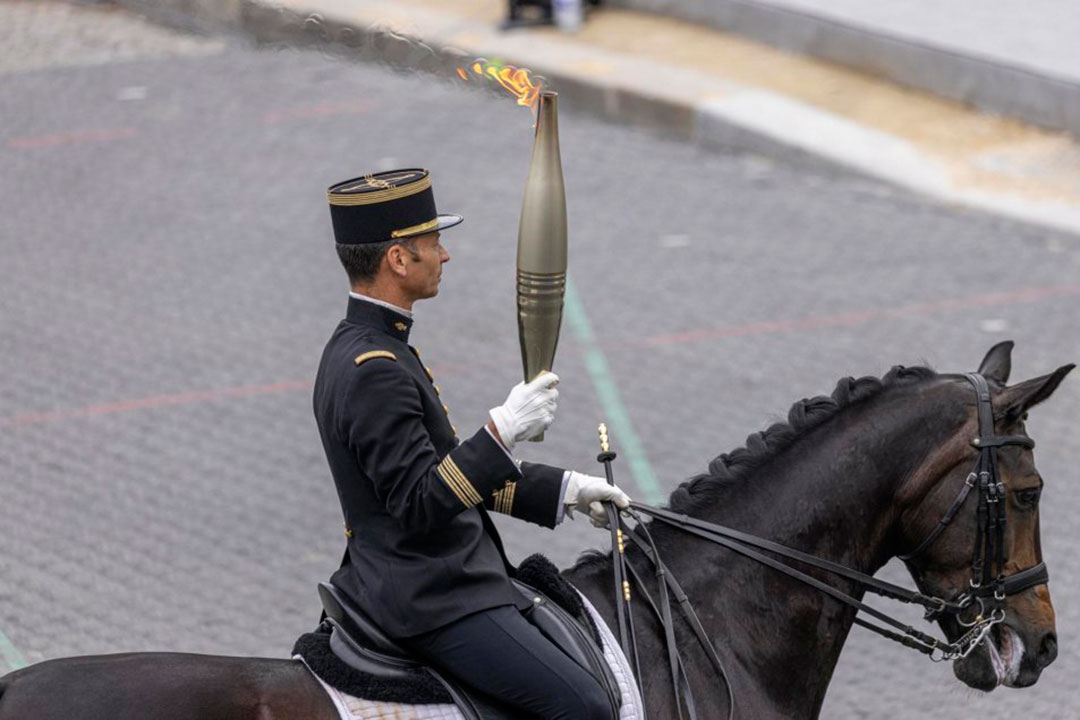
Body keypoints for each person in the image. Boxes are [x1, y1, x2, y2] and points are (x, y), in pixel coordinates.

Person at [313, 168, 631, 719]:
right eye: (434, 242)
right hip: (431, 596)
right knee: (585, 707)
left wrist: (566, 491)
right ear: (397, 259)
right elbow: (420, 504)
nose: (445, 255)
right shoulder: (376, 370)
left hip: (419, 578)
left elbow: (449, 474)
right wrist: (501, 430)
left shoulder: (364, 347)